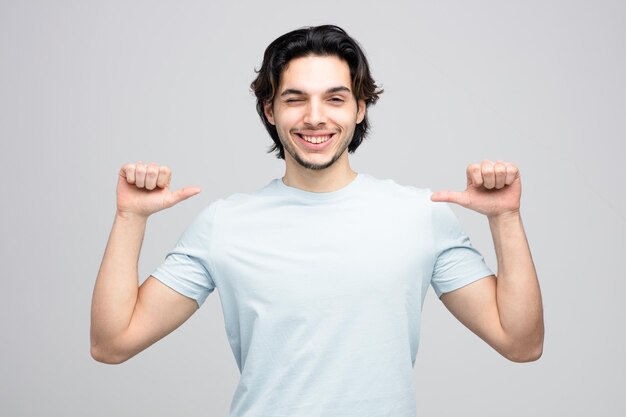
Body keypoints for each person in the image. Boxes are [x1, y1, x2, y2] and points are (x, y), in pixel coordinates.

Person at [90, 25, 543, 416]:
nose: (314, 117)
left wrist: (505, 218)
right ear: (270, 111)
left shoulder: (419, 215)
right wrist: (130, 217)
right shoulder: (225, 225)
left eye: (335, 98)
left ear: (360, 108)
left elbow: (521, 343)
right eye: (295, 99)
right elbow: (112, 343)